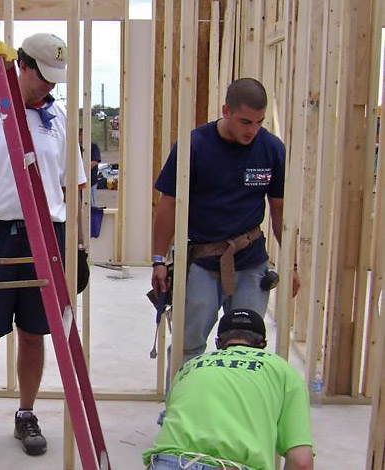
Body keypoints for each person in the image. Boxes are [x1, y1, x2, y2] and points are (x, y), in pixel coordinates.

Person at [0, 32, 86, 457]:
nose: (51, 86)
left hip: (47, 235)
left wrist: (77, 249)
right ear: (22, 64)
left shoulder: (57, 118)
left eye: (57, 78)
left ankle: (26, 413)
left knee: (34, 334)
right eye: (44, 76)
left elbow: (71, 186)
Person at [151, 78, 300, 365]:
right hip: (203, 261)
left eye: (259, 122)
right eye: (246, 122)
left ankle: (236, 410)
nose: (252, 130)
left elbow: (279, 209)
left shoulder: (271, 149)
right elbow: (168, 206)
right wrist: (158, 259)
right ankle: (180, 409)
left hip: (251, 261)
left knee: (247, 350)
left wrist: (291, 263)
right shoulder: (193, 146)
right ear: (226, 111)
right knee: (189, 344)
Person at [143, 308, 314, 470]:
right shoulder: (283, 371)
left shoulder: (188, 368)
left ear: (218, 343)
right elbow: (301, 462)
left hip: (168, 462)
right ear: (263, 345)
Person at [79, 127, 101, 206]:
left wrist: (81, 170)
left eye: (80, 135)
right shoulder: (76, 148)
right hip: (79, 181)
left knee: (90, 204)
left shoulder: (94, 147)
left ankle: (92, 218)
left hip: (91, 181)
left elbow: (94, 162)